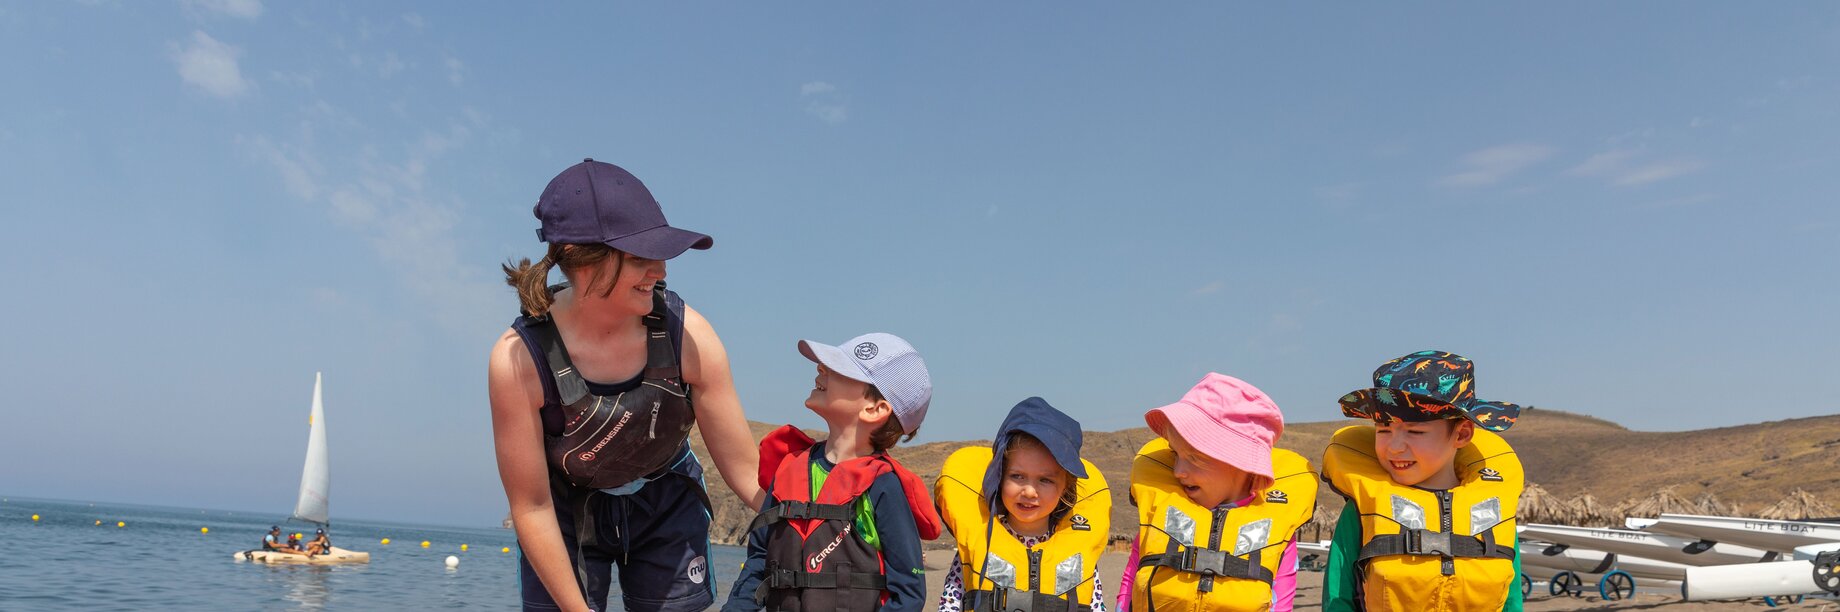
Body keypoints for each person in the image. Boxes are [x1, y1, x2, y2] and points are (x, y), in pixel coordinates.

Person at [489, 159, 763, 612]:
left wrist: (807, 526)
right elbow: (532, 507)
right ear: (579, 257)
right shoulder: (517, 360)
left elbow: (748, 475)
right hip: (564, 510)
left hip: (666, 497)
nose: (661, 269)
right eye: (639, 256)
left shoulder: (690, 337)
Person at [723, 333, 942, 612]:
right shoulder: (789, 470)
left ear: (875, 409)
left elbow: (908, 595)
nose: (820, 369)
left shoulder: (882, 486)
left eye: (840, 370)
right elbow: (757, 563)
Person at [1320, 351, 1525, 611]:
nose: (1394, 447)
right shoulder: (1362, 510)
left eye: (1415, 431)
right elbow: (1337, 600)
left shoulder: (1496, 513)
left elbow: (1511, 602)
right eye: (1383, 429)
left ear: (1461, 434)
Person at [1121, 373, 1317, 612]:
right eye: (1176, 454)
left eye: (1194, 458)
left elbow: (1281, 604)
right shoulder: (1159, 514)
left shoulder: (1279, 532)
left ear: (1242, 464)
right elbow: (1130, 586)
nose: (1179, 471)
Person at [935, 397, 1111, 612]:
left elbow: (1096, 605)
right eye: (1017, 476)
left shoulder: (1079, 552)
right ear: (998, 477)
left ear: (1065, 488)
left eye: (1045, 480)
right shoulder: (975, 544)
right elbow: (950, 602)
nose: (1029, 491)